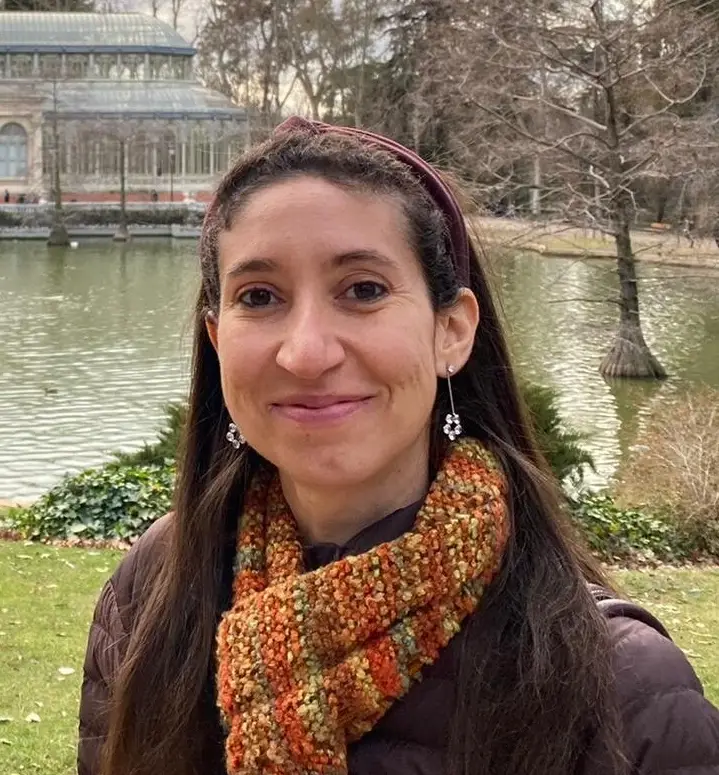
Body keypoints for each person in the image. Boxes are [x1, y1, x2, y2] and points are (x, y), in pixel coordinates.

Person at [78, 117, 719, 775]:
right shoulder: (152, 589)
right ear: (218, 342)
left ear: (451, 330)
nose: (305, 352)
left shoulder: (626, 693)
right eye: (260, 296)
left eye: (363, 290)